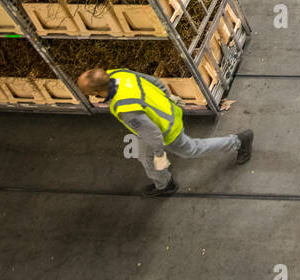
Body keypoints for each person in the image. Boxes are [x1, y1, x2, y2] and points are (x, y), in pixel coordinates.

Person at [77, 67, 252, 197]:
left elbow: (153, 134)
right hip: (166, 112)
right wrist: (168, 97)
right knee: (145, 156)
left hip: (166, 129)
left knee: (191, 149)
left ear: (95, 92)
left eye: (87, 93)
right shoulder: (119, 74)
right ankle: (164, 184)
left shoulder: (125, 107)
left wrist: (160, 155)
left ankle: (239, 141)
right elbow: (155, 82)